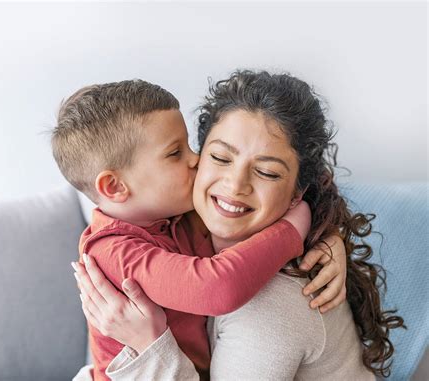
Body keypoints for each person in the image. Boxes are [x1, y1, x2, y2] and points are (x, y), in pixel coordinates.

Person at [73, 70, 405, 380]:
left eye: (268, 172)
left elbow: (219, 287)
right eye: (219, 157)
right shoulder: (164, 221)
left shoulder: (272, 306)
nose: (234, 185)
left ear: (297, 193)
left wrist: (148, 345)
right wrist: (311, 226)